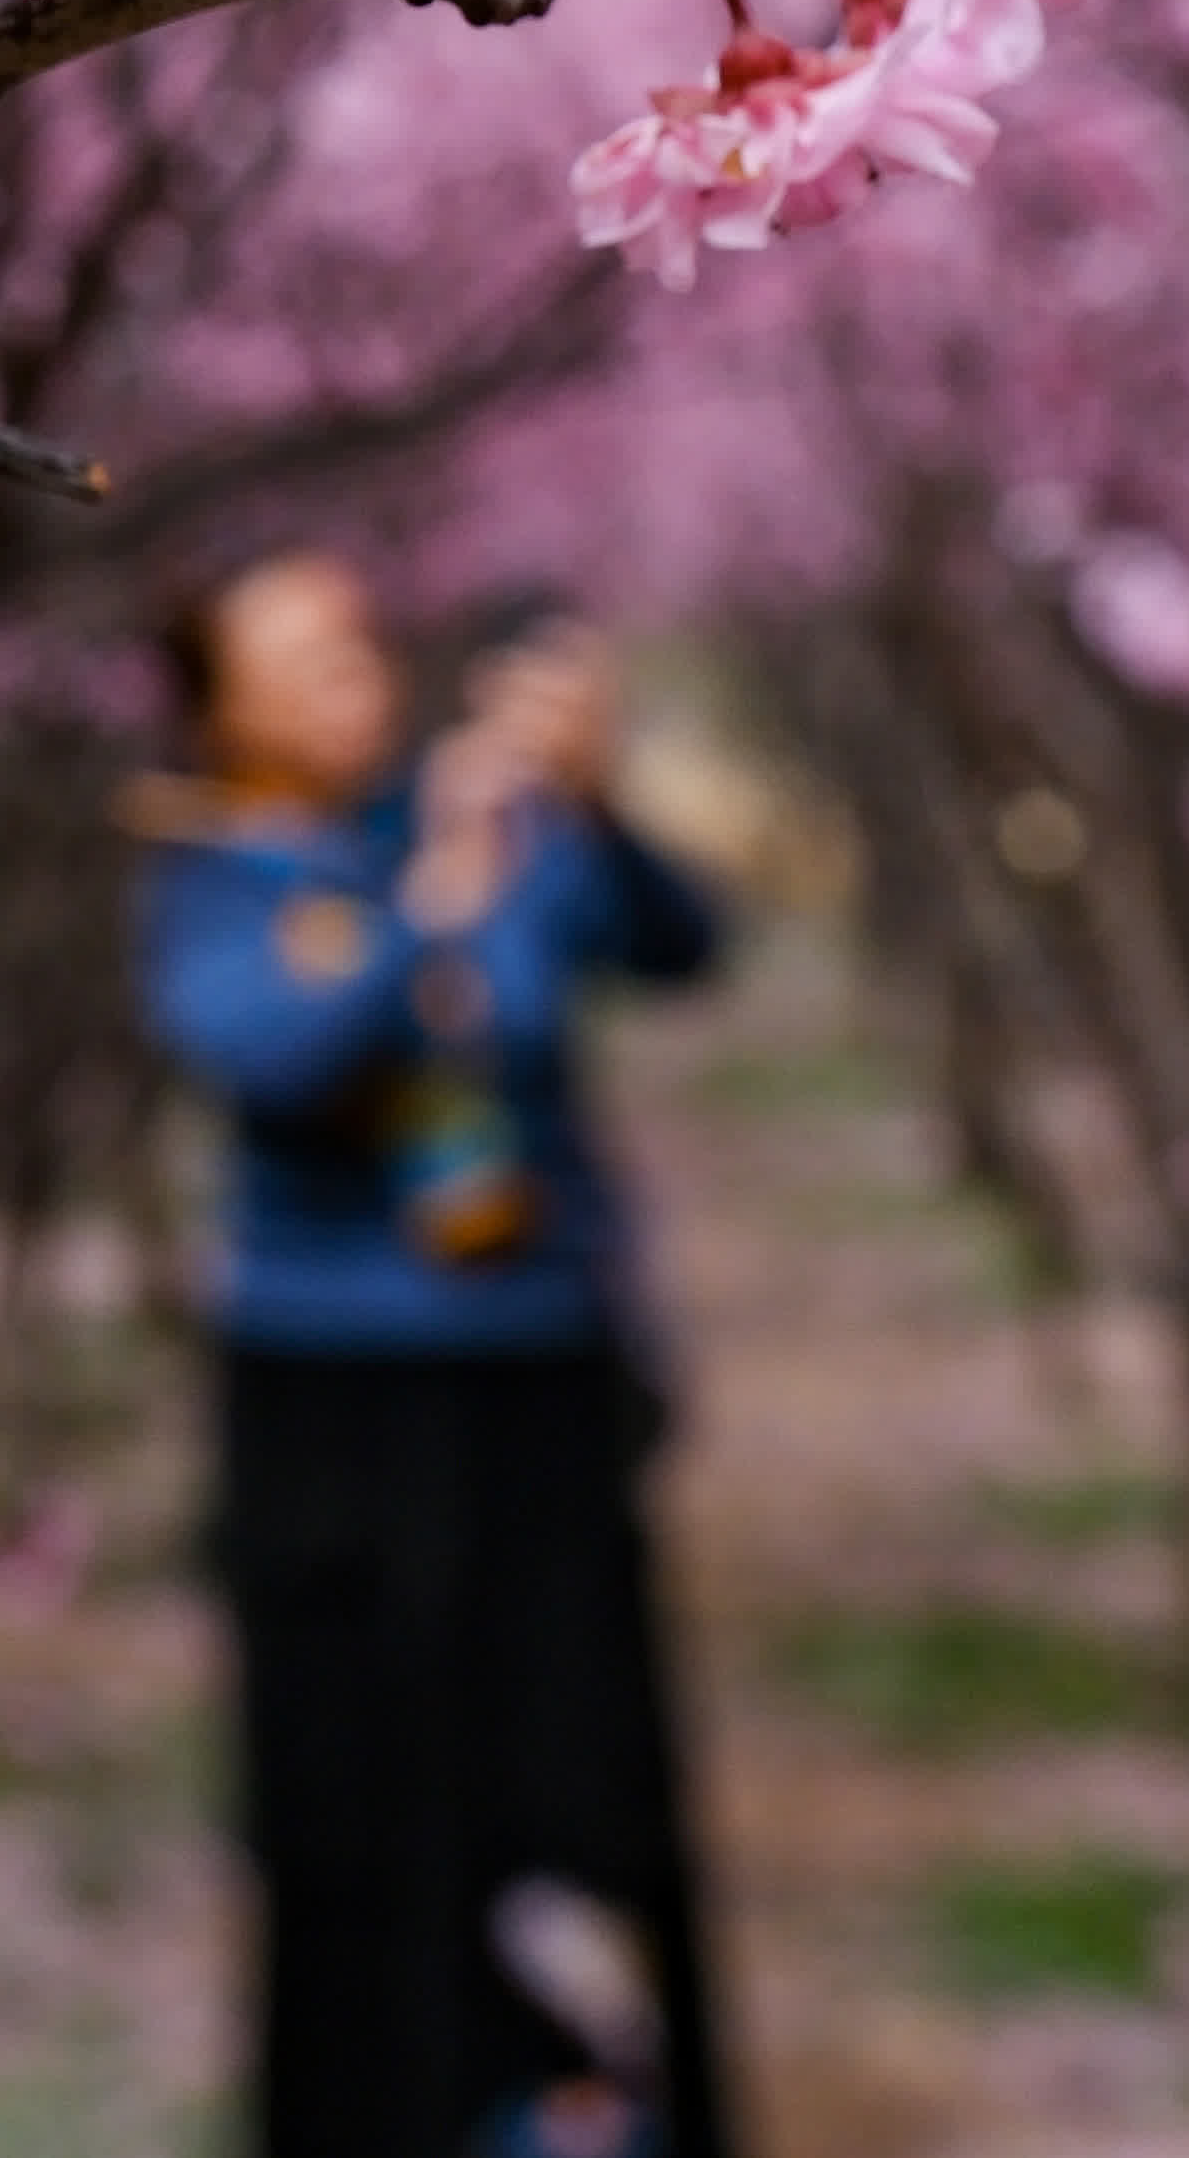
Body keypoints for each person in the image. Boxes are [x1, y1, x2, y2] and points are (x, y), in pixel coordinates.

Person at [140, 548, 738, 2158]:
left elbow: (683, 945)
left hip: (537, 1377)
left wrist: (594, 800)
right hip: (329, 1411)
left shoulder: (470, 819)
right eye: (301, 657)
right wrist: (434, 917)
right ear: (221, 713)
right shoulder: (215, 880)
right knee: (356, 1812)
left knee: (573, 1787)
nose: (355, 673)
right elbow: (275, 1050)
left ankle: (591, 2116)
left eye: (354, 641)